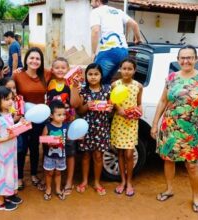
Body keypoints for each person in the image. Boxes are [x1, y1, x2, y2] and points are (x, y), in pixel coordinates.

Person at [150, 45, 198, 213]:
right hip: (169, 127)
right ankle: (169, 189)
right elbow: (163, 101)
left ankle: (196, 197)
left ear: (196, 59)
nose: (186, 61)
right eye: (182, 58)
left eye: (189, 57)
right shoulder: (171, 78)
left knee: (192, 166)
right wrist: (155, 123)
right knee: (168, 160)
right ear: (178, 60)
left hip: (191, 131)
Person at [13, 47, 51, 190]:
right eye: (31, 58)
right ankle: (20, 177)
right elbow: (12, 93)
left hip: (39, 119)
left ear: (41, 62)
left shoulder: (46, 74)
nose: (34, 61)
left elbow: (61, 74)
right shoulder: (17, 75)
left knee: (35, 147)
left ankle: (34, 174)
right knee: (21, 148)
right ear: (26, 60)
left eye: (38, 59)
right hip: (22, 118)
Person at [75, 63, 112, 195]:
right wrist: (87, 106)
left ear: (101, 75)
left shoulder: (107, 90)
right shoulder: (83, 91)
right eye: (90, 74)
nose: (93, 77)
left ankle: (97, 182)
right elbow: (79, 110)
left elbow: (111, 107)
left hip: (101, 128)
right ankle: (84, 181)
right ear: (86, 76)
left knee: (98, 156)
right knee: (85, 156)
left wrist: (109, 108)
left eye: (96, 74)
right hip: (86, 128)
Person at [46, 57, 80, 196]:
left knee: (70, 151)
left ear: (68, 69)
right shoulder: (49, 82)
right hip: (52, 123)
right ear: (52, 69)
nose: (60, 70)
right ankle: (47, 180)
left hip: (68, 122)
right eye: (57, 67)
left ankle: (68, 181)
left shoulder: (71, 83)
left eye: (63, 67)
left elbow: (75, 103)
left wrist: (74, 87)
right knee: (49, 149)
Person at [111, 59, 143, 197]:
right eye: (124, 68)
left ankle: (130, 182)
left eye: (130, 69)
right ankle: (122, 181)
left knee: (129, 154)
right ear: (120, 69)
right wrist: (119, 109)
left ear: (134, 70)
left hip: (131, 123)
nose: (126, 71)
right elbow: (113, 101)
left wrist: (138, 111)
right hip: (119, 121)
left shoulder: (138, 86)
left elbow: (139, 103)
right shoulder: (114, 85)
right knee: (120, 153)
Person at [0, 86, 23, 211]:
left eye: (11, 98)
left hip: (11, 150)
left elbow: (10, 128)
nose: (11, 101)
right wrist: (5, 139)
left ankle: (9, 195)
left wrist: (20, 124)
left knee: (11, 173)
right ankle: (0, 201)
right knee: (3, 175)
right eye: (7, 99)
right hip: (3, 152)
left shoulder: (8, 114)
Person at [90, 0, 141, 84]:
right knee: (105, 80)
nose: (91, 3)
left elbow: (95, 31)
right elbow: (134, 24)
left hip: (109, 51)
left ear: (98, 1)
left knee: (93, 80)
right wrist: (138, 39)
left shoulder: (96, 11)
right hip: (123, 52)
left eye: (91, 1)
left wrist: (93, 52)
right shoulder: (118, 11)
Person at [42, 100, 68, 201]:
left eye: (64, 114)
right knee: (49, 173)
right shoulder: (47, 126)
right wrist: (50, 141)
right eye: (59, 114)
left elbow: (68, 137)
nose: (62, 117)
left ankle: (57, 189)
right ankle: (48, 189)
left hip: (61, 155)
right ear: (51, 115)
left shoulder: (65, 126)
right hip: (49, 155)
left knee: (58, 173)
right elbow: (42, 139)